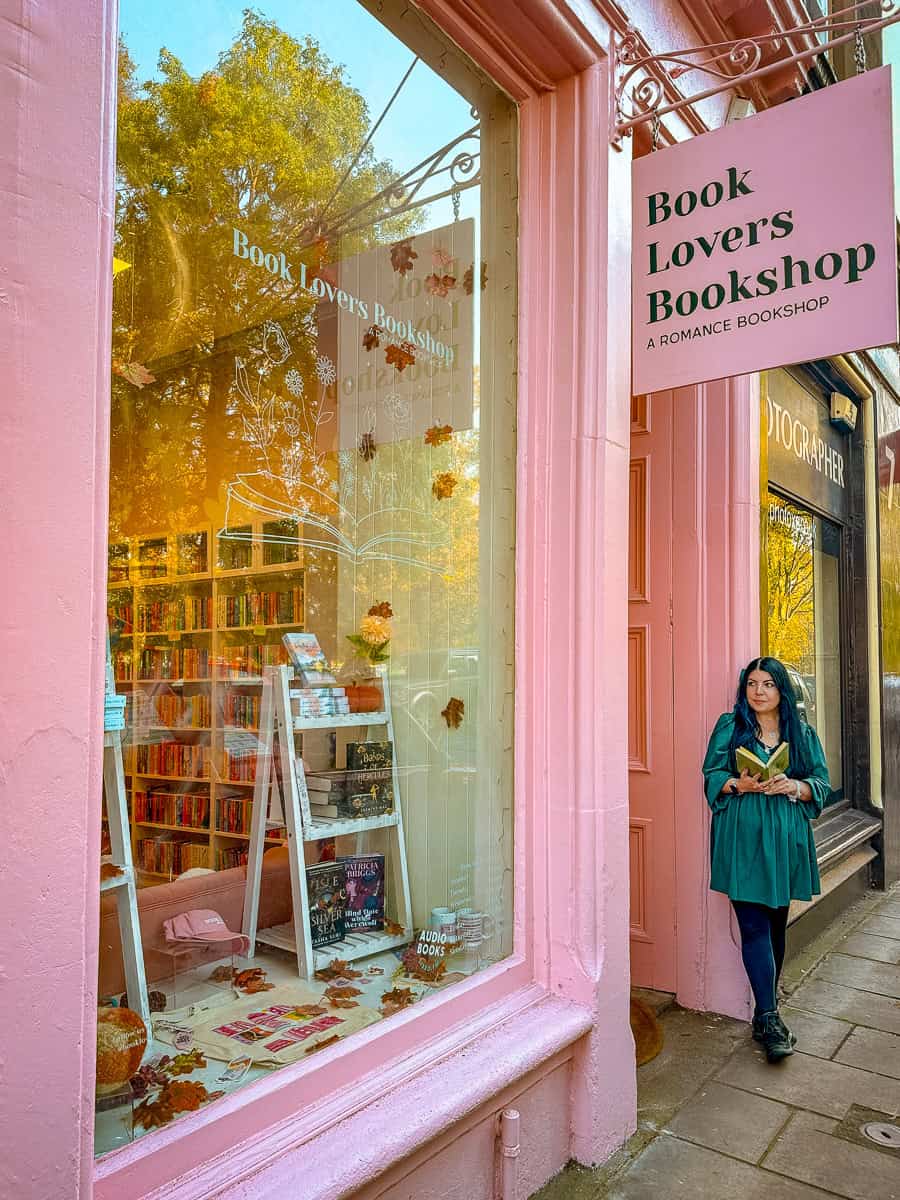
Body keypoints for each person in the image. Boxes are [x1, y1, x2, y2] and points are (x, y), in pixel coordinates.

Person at [702, 657, 830, 1063]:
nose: (758, 692)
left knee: (776, 924)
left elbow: (821, 784)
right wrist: (735, 783)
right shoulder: (730, 726)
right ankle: (771, 1018)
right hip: (742, 837)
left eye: (768, 684)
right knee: (754, 924)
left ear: (782, 692)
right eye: (752, 684)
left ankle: (763, 1009)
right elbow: (710, 774)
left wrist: (793, 784)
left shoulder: (801, 732)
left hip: (785, 836)